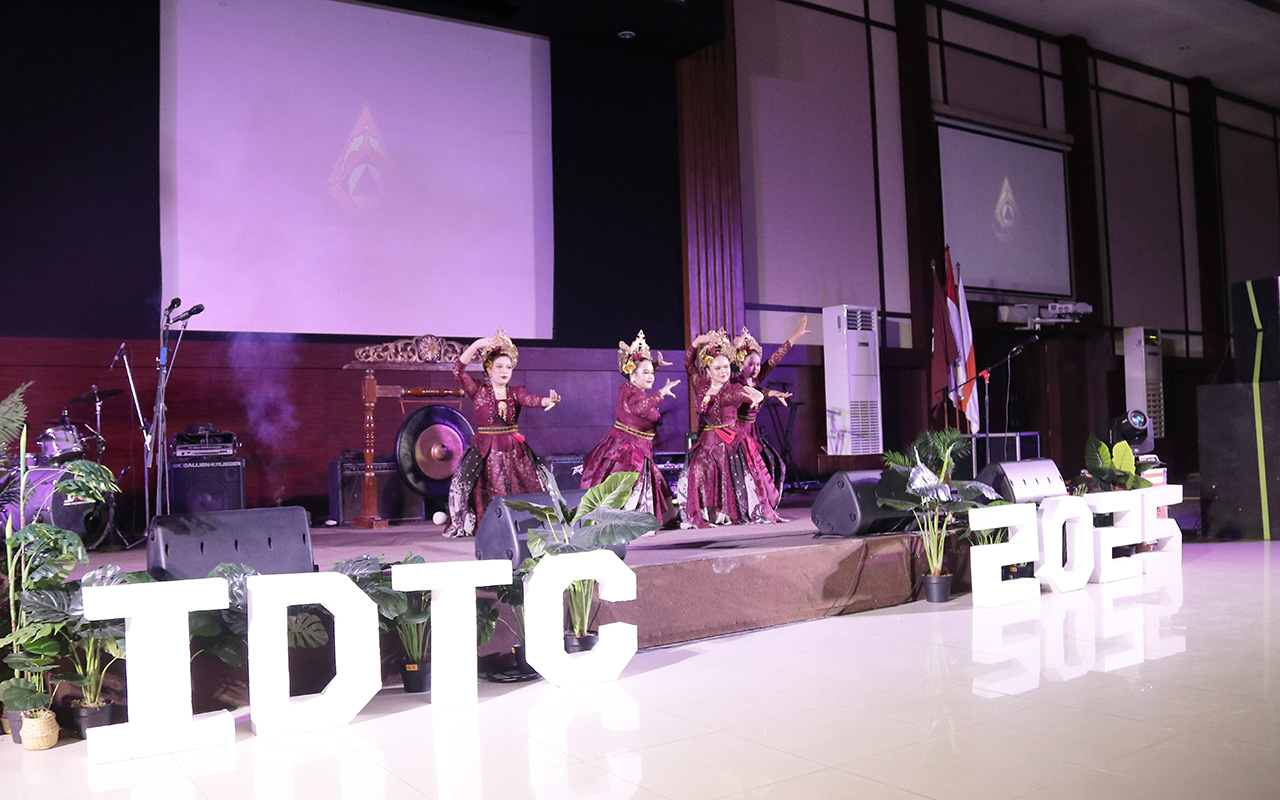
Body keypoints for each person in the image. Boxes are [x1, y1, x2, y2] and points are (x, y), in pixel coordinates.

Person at [445, 329, 561, 537]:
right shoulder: (478, 390)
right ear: (489, 369)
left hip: (513, 449)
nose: (504, 371)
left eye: (508, 367)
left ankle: (524, 523)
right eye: (499, 367)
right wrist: (477, 345)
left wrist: (548, 400)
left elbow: (531, 399)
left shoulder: (516, 393)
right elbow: (457, 371)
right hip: (485, 450)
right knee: (478, 487)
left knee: (528, 485)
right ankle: (490, 525)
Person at [579, 331, 681, 525]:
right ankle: (628, 522)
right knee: (631, 485)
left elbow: (639, 378)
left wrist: (653, 365)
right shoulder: (633, 394)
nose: (651, 377)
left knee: (654, 483)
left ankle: (660, 519)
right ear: (632, 375)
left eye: (652, 373)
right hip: (628, 450)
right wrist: (661, 393)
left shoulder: (633, 388)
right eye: (646, 373)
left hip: (640, 447)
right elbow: (639, 408)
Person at [679, 329, 769, 528]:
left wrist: (757, 397)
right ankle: (702, 514)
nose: (723, 372)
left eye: (726, 367)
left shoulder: (733, 389)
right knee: (696, 471)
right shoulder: (700, 384)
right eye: (718, 368)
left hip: (728, 444)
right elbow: (688, 365)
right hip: (705, 442)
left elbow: (752, 395)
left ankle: (724, 514)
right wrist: (697, 343)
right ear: (708, 370)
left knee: (726, 475)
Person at [731, 315, 810, 500]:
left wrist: (796, 335)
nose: (756, 368)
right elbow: (752, 392)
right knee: (746, 471)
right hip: (738, 433)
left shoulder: (756, 378)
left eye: (758, 364)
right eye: (751, 364)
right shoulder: (735, 382)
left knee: (773, 464)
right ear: (741, 364)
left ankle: (763, 502)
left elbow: (775, 358)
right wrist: (772, 393)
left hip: (753, 432)